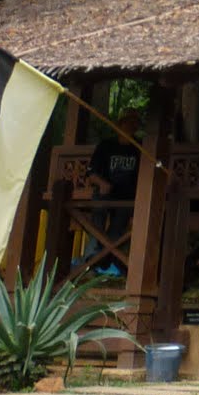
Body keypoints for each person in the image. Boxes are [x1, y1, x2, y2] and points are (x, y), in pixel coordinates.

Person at [84, 109, 142, 276]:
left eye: (134, 123)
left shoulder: (139, 147)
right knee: (98, 219)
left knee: (118, 227)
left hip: (127, 197)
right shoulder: (106, 146)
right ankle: (92, 260)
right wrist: (102, 183)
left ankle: (103, 258)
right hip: (105, 194)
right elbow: (91, 173)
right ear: (120, 124)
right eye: (128, 122)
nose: (131, 126)